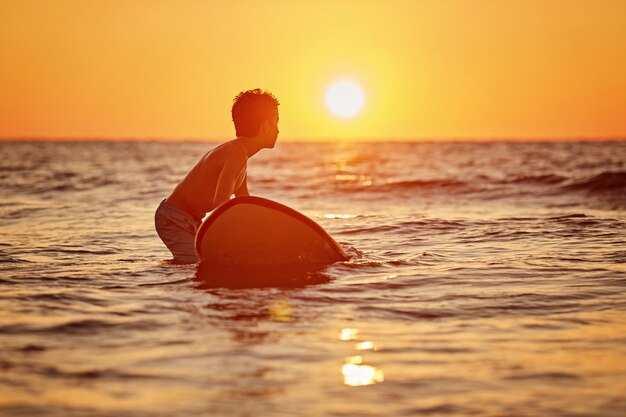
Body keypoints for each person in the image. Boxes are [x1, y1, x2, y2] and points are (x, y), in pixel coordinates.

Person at [155, 88, 280, 263]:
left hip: (190, 218)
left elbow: (243, 199)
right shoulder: (235, 154)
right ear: (266, 126)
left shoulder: (240, 155)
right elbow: (221, 203)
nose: (278, 130)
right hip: (173, 219)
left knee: (215, 260)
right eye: (276, 123)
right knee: (196, 263)